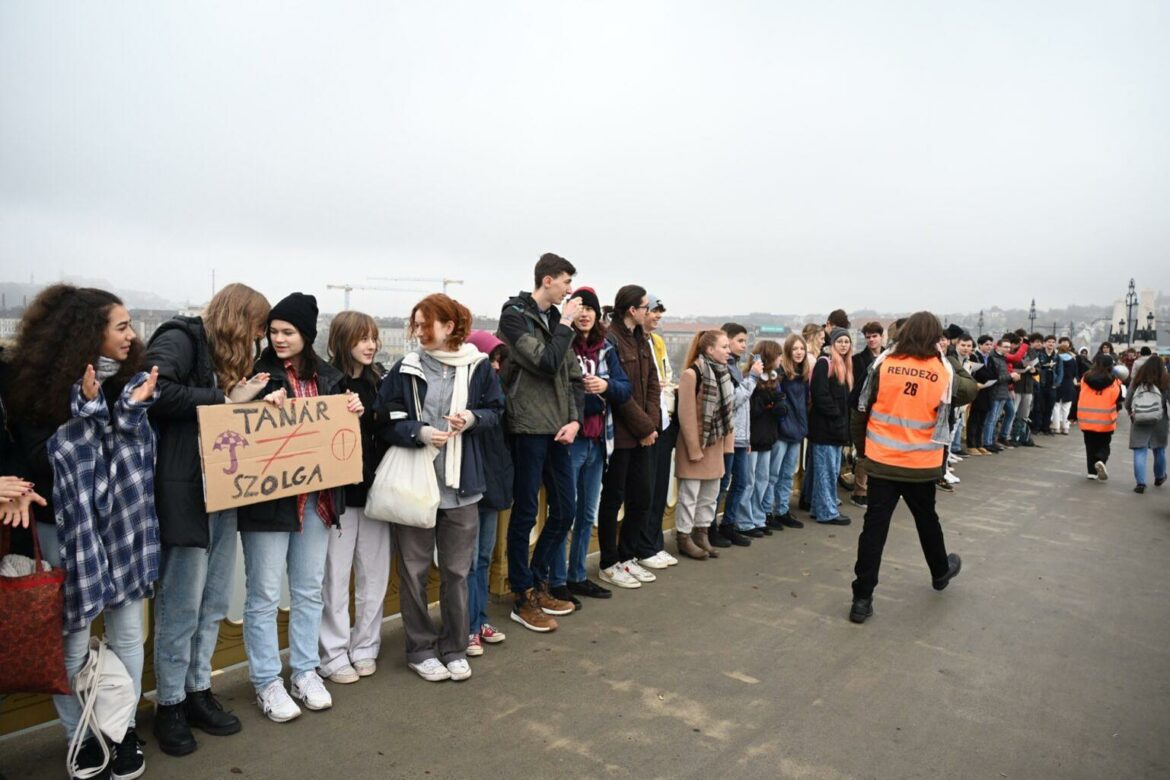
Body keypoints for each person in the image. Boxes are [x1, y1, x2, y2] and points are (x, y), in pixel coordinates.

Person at [3, 285, 159, 779]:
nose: (131, 335)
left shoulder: (133, 380)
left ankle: (121, 729)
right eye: (122, 326)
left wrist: (129, 414)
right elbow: (37, 462)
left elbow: (141, 461)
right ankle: (81, 738)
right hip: (62, 530)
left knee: (128, 633)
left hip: (124, 529)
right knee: (68, 641)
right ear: (88, 333)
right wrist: (85, 418)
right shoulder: (34, 385)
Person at [147, 282, 270, 756]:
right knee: (180, 602)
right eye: (257, 327)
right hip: (184, 490)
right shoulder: (180, 337)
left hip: (222, 488)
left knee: (214, 598)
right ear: (239, 320)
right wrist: (225, 399)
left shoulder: (219, 351)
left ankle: (198, 690)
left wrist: (248, 400)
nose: (258, 339)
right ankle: (171, 703)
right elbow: (154, 392)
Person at [240, 292, 363, 721]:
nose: (277, 339)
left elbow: (342, 432)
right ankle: (267, 680)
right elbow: (236, 418)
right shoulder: (258, 374)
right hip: (270, 500)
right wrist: (254, 401)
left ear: (306, 335)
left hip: (318, 501)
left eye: (287, 332)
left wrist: (354, 408)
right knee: (264, 593)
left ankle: (305, 669)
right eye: (273, 331)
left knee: (309, 589)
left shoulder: (330, 378)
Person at [378, 294, 503, 682]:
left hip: (461, 485)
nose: (417, 332)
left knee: (457, 571)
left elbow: (497, 412)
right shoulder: (406, 367)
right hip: (415, 483)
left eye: (424, 324)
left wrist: (471, 418)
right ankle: (419, 648)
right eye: (414, 324)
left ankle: (454, 645)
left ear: (449, 326)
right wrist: (419, 432)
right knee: (414, 571)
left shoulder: (478, 367)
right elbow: (384, 419)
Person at [849, 311, 964, 624]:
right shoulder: (942, 371)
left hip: (883, 460)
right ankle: (940, 571)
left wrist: (864, 452)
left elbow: (860, 410)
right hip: (920, 464)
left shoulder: (883, 364)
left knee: (874, 528)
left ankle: (862, 597)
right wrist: (947, 357)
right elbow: (967, 391)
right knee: (927, 520)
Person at [497, 253, 585, 632]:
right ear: (547, 281)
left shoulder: (553, 320)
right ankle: (522, 594)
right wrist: (564, 323)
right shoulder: (515, 315)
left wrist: (576, 419)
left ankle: (538, 579)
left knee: (566, 509)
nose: (570, 289)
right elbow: (546, 362)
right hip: (529, 425)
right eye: (566, 281)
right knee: (526, 513)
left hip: (559, 428)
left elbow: (573, 377)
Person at [318, 311, 391, 685]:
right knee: (335, 576)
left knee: (374, 576)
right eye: (362, 338)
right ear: (343, 341)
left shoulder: (379, 380)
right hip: (339, 496)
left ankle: (366, 646)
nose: (370, 345)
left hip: (376, 491)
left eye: (373, 337)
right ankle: (332, 653)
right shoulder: (327, 383)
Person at [548, 287, 631, 602]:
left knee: (586, 514)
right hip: (569, 442)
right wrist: (589, 400)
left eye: (590, 309)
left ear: (597, 315)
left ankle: (577, 574)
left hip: (598, 443)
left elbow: (625, 389)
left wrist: (606, 385)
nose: (584, 314)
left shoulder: (606, 348)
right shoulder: (562, 344)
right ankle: (557, 580)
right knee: (564, 513)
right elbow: (558, 391)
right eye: (578, 308)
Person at [595, 285, 661, 588]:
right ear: (632, 310)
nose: (649, 311)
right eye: (645, 307)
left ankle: (628, 556)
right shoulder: (612, 339)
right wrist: (644, 427)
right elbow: (619, 394)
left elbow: (652, 386)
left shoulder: (640, 339)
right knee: (614, 497)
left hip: (643, 433)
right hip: (621, 434)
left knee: (642, 496)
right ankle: (609, 561)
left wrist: (651, 426)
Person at [463, 330, 514, 655]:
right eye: (490, 359)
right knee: (468, 561)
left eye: (498, 360)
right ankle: (467, 625)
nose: (496, 366)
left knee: (482, 558)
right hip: (469, 487)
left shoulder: (498, 396)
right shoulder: (462, 399)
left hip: (492, 487)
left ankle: (479, 618)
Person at [672, 331, 735, 560]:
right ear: (709, 350)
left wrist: (728, 446)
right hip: (696, 444)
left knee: (710, 494)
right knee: (690, 495)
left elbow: (729, 413)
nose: (729, 351)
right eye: (724, 346)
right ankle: (684, 537)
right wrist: (694, 449)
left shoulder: (724, 373)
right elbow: (686, 415)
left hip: (714, 444)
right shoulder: (692, 373)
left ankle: (702, 533)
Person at [641, 293, 679, 568]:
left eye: (659, 313)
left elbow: (665, 378)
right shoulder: (633, 341)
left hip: (663, 420)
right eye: (653, 311)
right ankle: (644, 546)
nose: (656, 317)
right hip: (646, 423)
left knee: (659, 488)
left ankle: (654, 543)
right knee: (645, 489)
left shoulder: (658, 342)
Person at [715, 322, 761, 546]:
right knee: (723, 483)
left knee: (741, 482)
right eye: (740, 341)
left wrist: (748, 438)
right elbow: (734, 401)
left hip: (741, 436)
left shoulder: (735, 366)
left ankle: (728, 525)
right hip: (729, 435)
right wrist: (752, 378)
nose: (744, 345)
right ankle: (710, 528)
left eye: (745, 341)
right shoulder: (725, 367)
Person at [807, 327, 853, 524]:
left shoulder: (844, 366)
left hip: (835, 430)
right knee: (826, 472)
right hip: (824, 429)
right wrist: (836, 416)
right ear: (832, 343)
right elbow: (820, 395)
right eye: (840, 341)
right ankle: (827, 512)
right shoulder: (824, 364)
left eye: (846, 341)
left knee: (830, 471)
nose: (843, 345)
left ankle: (820, 509)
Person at [767, 334, 809, 529]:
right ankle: (767, 512)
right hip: (783, 430)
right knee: (773, 473)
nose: (799, 352)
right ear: (788, 351)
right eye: (795, 349)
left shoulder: (804, 374)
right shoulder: (780, 373)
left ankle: (782, 510)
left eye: (802, 349)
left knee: (786, 474)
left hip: (797, 430)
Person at [744, 340, 785, 535]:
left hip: (768, 436)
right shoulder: (751, 379)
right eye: (778, 355)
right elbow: (751, 410)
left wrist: (776, 405)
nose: (781, 359)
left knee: (762, 480)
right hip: (753, 438)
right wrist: (769, 403)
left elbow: (781, 407)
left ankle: (758, 518)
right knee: (749, 482)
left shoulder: (775, 380)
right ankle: (745, 521)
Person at [849, 322, 884, 508]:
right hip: (863, 410)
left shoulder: (890, 357)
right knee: (863, 451)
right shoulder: (858, 359)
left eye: (874, 336)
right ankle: (860, 491)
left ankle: (877, 488)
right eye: (868, 337)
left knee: (879, 451)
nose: (871, 340)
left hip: (882, 411)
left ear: (881, 336)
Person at [1077, 353, 1124, 481]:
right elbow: (1119, 399)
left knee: (1089, 444)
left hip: (1086, 418)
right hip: (1106, 419)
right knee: (1104, 444)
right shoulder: (1115, 381)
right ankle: (1100, 459)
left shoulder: (1085, 378)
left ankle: (1091, 473)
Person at [1125, 356, 1168, 493]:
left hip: (1140, 416)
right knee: (1159, 448)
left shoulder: (1137, 380)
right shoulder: (1166, 380)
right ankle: (1160, 476)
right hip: (1160, 418)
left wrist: (1130, 412)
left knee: (1140, 449)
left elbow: (1128, 400)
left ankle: (1141, 483)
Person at [1052, 337, 1079, 434]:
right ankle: (1066, 427)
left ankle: (1056, 426)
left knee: (1056, 406)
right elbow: (1075, 373)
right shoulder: (1073, 359)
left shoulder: (1056, 358)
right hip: (1069, 384)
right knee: (1066, 407)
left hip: (1058, 384)